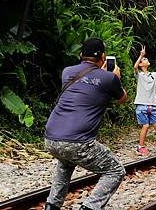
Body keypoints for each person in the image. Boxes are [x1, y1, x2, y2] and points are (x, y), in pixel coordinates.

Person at [44, 38, 128, 210]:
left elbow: (86, 84)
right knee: (115, 171)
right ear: (103, 56)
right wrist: (116, 78)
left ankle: (52, 205)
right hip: (78, 142)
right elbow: (122, 99)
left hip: (51, 138)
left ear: (81, 54)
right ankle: (90, 207)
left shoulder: (67, 72)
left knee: (65, 163)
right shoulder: (109, 78)